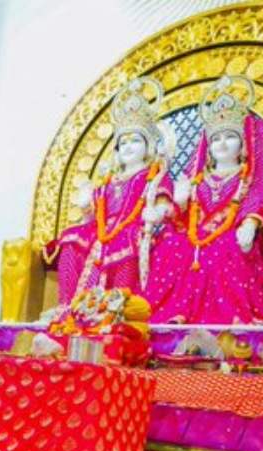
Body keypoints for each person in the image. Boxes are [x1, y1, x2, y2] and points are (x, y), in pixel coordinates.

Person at [145, 75, 263, 324]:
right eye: (215, 139)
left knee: (225, 251)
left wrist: (250, 224)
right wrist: (175, 207)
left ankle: (231, 319)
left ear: (244, 144)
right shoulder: (197, 179)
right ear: (208, 146)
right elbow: (184, 217)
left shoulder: (247, 177)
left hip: (231, 236)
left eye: (229, 137)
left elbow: (255, 204)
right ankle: (175, 315)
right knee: (169, 247)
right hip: (194, 237)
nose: (221, 144)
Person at [44, 77, 174, 305]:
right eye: (123, 143)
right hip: (102, 230)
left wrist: (158, 212)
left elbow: (165, 206)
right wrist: (86, 206)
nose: (128, 147)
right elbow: (93, 216)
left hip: (136, 228)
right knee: (71, 238)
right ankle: (68, 305)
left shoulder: (154, 175)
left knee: (127, 241)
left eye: (135, 141)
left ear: (148, 146)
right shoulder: (107, 180)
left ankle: (117, 306)